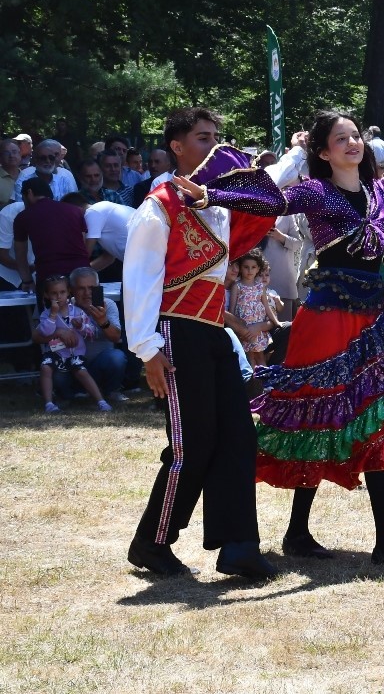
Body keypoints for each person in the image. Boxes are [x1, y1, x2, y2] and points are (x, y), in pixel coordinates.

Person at [176, 99, 384, 565]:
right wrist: (212, 196)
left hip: (374, 316)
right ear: (322, 152)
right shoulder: (314, 193)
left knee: (375, 416)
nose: (353, 143)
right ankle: (304, 532)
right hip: (328, 318)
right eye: (341, 139)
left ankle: (383, 539)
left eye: (355, 135)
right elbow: (269, 200)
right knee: (318, 417)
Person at [123, 108, 306, 578]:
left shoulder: (218, 203)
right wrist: (148, 351)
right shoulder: (159, 205)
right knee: (193, 443)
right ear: (177, 148)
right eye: (202, 138)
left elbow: (266, 182)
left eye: (216, 138)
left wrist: (299, 151)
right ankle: (152, 541)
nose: (213, 147)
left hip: (212, 331)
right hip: (173, 331)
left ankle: (238, 545)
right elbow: (139, 280)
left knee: (238, 435)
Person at [35, 274, 108, 413]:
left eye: (62, 292)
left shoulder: (78, 312)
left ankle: (101, 401)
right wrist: (53, 315)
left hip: (76, 353)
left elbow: (91, 333)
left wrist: (81, 327)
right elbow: (44, 332)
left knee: (81, 371)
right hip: (55, 353)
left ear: (68, 292)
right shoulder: (46, 314)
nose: (59, 296)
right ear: (46, 295)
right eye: (54, 293)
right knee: (45, 367)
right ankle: (49, 403)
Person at [12, 179, 89, 289]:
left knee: (52, 307)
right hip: (83, 273)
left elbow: (20, 253)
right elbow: (83, 242)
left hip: (50, 276)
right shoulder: (75, 211)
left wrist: (27, 281)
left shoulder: (22, 217)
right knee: (91, 306)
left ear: (29, 193)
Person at [69, 266, 132, 402]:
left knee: (117, 358)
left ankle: (112, 390)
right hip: (74, 364)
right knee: (58, 374)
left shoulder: (107, 304)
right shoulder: (66, 307)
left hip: (100, 363)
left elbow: (116, 337)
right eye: (81, 288)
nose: (87, 293)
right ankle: (77, 392)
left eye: (91, 288)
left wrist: (103, 321)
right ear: (72, 290)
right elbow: (39, 337)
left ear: (98, 287)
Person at [229, 251, 273, 368]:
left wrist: (276, 322)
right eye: (246, 267)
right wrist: (235, 329)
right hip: (244, 329)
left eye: (253, 267)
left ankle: (265, 382)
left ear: (258, 268)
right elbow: (231, 310)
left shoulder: (260, 287)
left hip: (258, 328)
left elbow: (267, 307)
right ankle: (253, 384)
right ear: (241, 268)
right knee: (249, 358)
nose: (249, 271)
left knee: (260, 356)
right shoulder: (237, 286)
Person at [11, 139, 76, 203]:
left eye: (51, 157)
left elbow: (74, 204)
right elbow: (19, 206)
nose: (48, 161)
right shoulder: (24, 178)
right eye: (43, 158)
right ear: (35, 160)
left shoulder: (65, 178)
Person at [0, 139, 21, 209]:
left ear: (20, 154)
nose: (11, 155)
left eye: (14, 152)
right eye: (6, 153)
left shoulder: (28, 176)